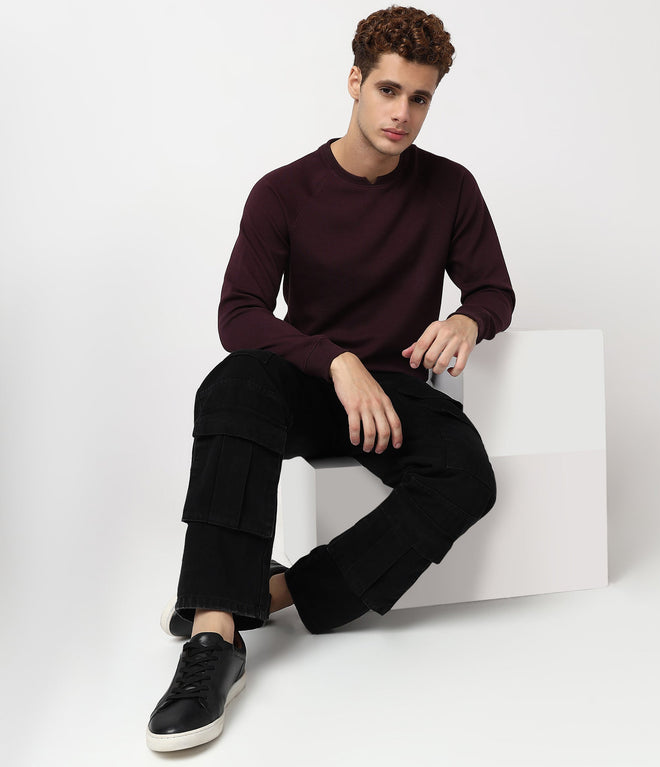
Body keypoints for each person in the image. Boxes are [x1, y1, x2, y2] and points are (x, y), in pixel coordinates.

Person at [146, 4, 515, 752]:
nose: (402, 113)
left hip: (397, 392)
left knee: (467, 477)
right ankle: (214, 640)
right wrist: (335, 360)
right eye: (388, 90)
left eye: (420, 98)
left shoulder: (450, 188)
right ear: (355, 82)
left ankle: (272, 591)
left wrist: (468, 320)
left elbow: (493, 291)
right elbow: (239, 314)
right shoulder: (283, 192)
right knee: (233, 382)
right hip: (311, 383)